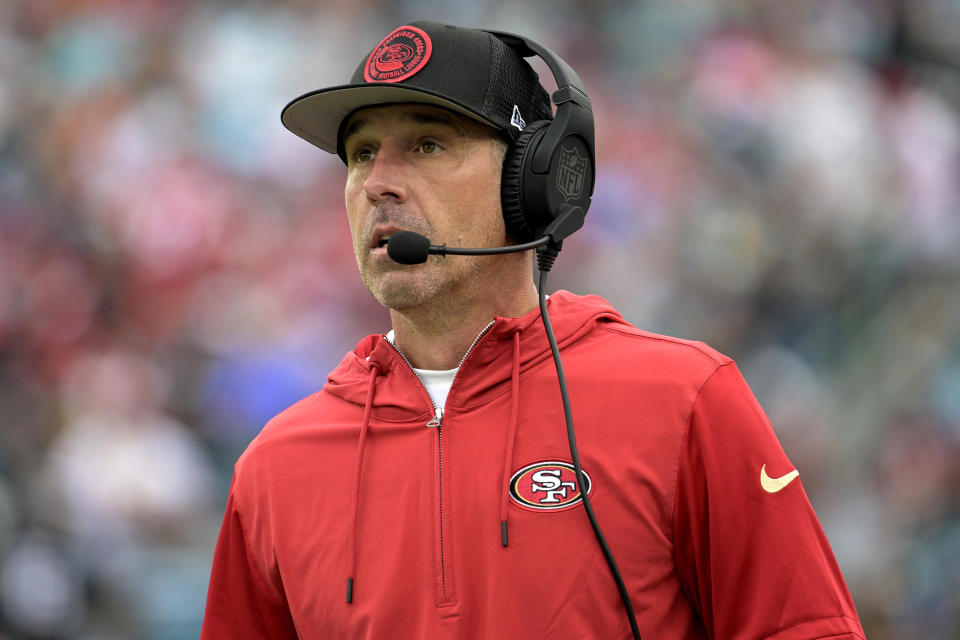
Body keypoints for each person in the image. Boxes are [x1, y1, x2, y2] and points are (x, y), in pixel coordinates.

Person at [201, 21, 865, 639]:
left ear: (536, 179)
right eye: (361, 153)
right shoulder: (274, 468)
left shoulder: (685, 400)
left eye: (428, 144)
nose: (377, 183)